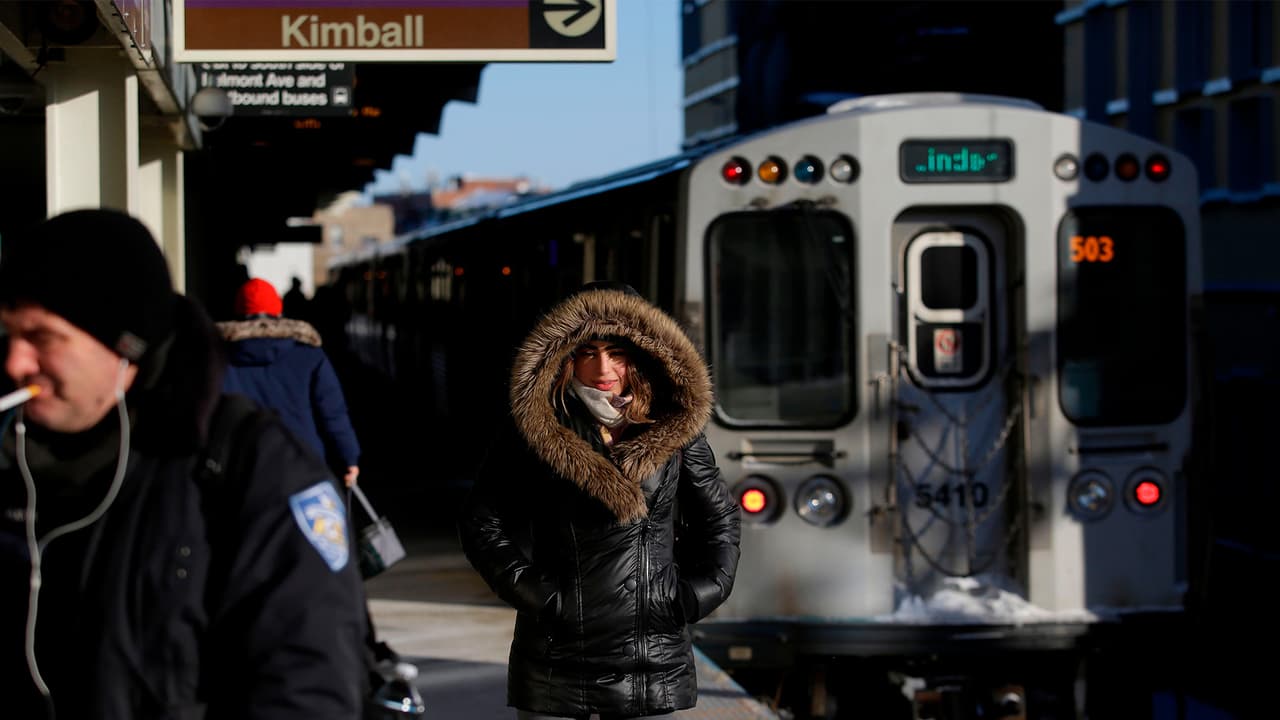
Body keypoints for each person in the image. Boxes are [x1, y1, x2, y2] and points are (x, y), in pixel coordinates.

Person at [0, 208, 369, 718]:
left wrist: (345, 459)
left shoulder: (253, 470)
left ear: (123, 343)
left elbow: (306, 686)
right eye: (8, 335)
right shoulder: (12, 461)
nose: (15, 364)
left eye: (42, 338)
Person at [458, 281, 741, 720]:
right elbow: (481, 523)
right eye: (588, 352)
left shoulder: (675, 424)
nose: (603, 367)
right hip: (556, 657)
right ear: (565, 357)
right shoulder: (536, 428)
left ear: (641, 355)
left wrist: (695, 594)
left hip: (653, 657)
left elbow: (718, 517)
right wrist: (540, 597)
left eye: (617, 351)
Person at [218, 277, 361, 487]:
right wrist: (348, 456)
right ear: (278, 312)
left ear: (238, 314)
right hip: (303, 463)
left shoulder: (217, 359)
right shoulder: (309, 355)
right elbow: (333, 413)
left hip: (240, 469)